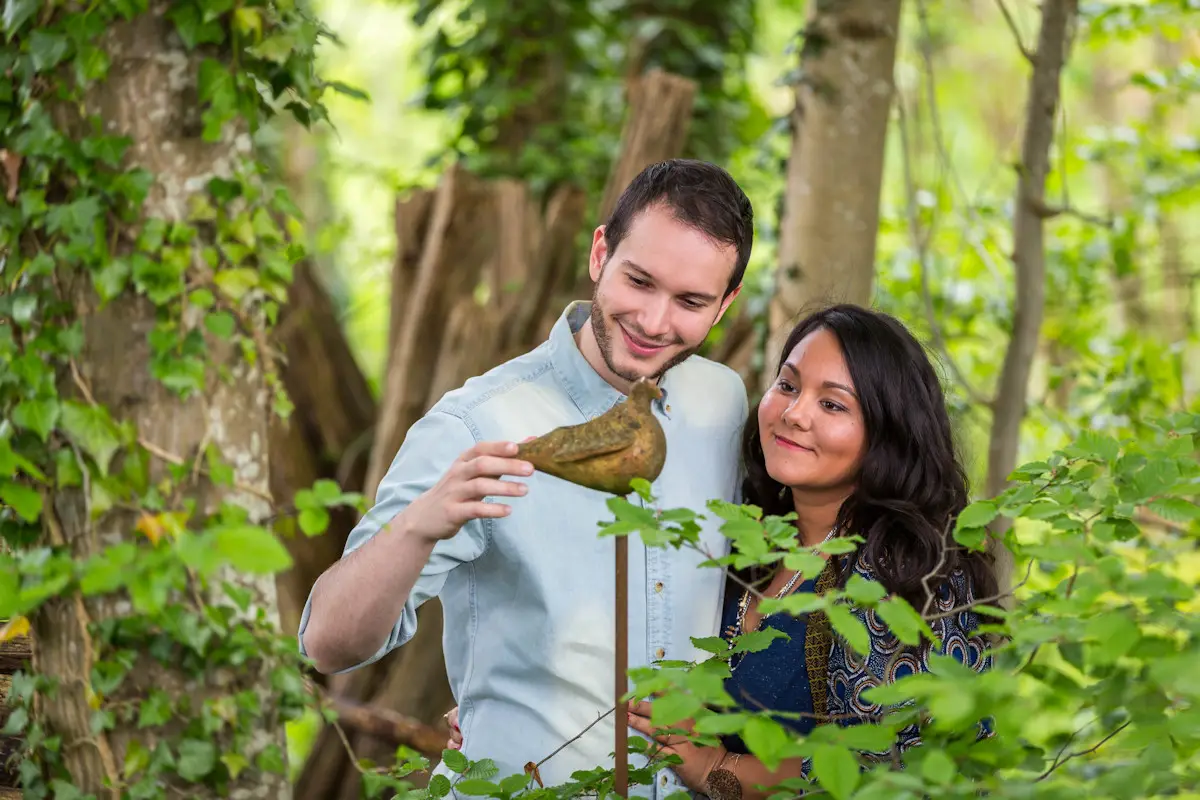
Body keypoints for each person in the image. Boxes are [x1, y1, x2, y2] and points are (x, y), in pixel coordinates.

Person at [298, 159, 755, 798]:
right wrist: (416, 528)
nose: (654, 321)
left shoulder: (723, 402)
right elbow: (328, 645)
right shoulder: (475, 424)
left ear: (727, 302)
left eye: (690, 301)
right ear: (601, 253)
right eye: (639, 281)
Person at [449, 305, 996, 799]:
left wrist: (711, 763)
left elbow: (880, 770)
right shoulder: (747, 540)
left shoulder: (911, 576)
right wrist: (508, 701)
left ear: (888, 434)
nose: (794, 413)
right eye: (787, 385)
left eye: (832, 404)